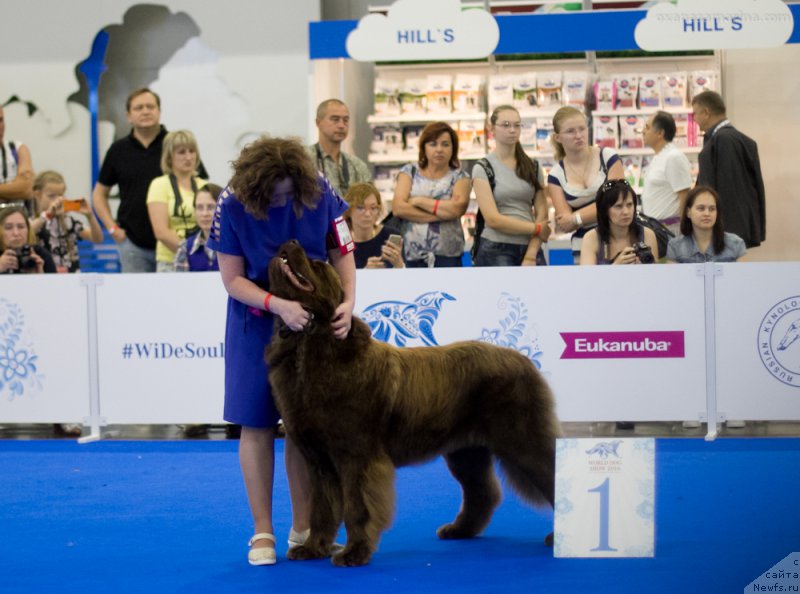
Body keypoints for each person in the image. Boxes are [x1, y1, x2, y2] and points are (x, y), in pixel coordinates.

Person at [206, 136, 356, 566]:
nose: (284, 200)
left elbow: (342, 251)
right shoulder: (231, 203)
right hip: (256, 322)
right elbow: (233, 279)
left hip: (313, 326)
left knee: (302, 426)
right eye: (275, 195)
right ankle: (262, 532)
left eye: (290, 192)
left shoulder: (320, 188)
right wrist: (278, 305)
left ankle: (304, 529)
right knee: (255, 424)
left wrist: (347, 302)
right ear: (256, 187)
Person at [92, 88, 207, 273]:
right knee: (137, 299)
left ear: (159, 112)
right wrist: (112, 228)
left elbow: (202, 189)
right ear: (128, 115)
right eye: (139, 108)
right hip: (133, 244)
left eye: (150, 107)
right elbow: (99, 194)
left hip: (177, 244)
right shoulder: (118, 150)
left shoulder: (175, 145)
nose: (145, 111)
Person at [472, 105, 551, 267]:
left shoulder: (533, 166)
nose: (512, 130)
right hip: (496, 248)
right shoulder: (483, 168)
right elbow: (493, 220)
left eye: (517, 125)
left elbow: (542, 213)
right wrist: (535, 229)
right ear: (491, 129)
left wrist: (531, 253)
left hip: (530, 247)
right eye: (506, 125)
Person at [546, 106, 624, 261]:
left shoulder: (608, 157)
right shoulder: (556, 175)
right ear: (557, 138)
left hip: (619, 239)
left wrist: (576, 218)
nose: (578, 135)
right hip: (581, 246)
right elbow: (565, 224)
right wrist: (603, 207)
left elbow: (616, 201)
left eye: (582, 129)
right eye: (570, 131)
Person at [391, 121, 471, 268]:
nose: (439, 149)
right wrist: (442, 214)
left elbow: (456, 209)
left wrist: (419, 201)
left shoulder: (461, 177)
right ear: (424, 147)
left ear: (453, 148)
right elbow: (398, 208)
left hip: (449, 257)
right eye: (433, 144)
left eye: (445, 144)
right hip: (412, 255)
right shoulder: (409, 172)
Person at [692, 90, 765, 248]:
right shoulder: (729, 138)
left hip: (728, 232)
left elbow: (729, 192)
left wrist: (723, 235)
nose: (695, 119)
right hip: (729, 231)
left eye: (695, 114)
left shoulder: (724, 140)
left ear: (706, 112)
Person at [146, 130, 207, 272]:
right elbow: (161, 232)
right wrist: (192, 253)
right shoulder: (159, 184)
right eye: (181, 152)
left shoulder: (203, 185)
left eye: (192, 151)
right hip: (170, 261)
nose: (188, 157)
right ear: (169, 157)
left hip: (202, 260)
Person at [29, 171, 104, 272]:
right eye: (51, 196)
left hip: (71, 279)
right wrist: (47, 215)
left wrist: (90, 216)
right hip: (44, 278)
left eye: (60, 196)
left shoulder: (68, 222)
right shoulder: (33, 221)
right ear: (37, 195)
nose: (57, 200)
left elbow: (97, 238)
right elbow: (26, 232)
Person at [580, 179, 659, 266]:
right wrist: (616, 267)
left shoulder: (647, 234)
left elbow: (654, 276)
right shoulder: (591, 238)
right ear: (604, 210)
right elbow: (587, 278)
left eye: (629, 205)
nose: (626, 212)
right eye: (618, 206)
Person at [640, 111, 693, 235]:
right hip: (655, 229)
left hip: (669, 231)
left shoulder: (673, 157)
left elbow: (684, 196)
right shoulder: (659, 156)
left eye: (647, 127)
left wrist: (684, 232)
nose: (643, 131)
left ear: (660, 133)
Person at [306, 99, 371, 197]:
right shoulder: (303, 160)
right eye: (335, 119)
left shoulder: (357, 166)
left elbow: (370, 203)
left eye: (345, 120)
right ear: (318, 122)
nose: (341, 125)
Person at [666, 185, 746, 263]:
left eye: (712, 209)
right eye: (701, 208)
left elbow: (744, 276)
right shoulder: (675, 247)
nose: (707, 213)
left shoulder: (736, 244)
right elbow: (671, 276)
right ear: (688, 212)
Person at [343, 182, 404, 269]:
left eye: (373, 208)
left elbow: (406, 279)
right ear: (348, 210)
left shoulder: (391, 235)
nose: (368, 214)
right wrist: (366, 273)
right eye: (360, 207)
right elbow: (337, 280)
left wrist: (399, 265)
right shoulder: (341, 242)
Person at [174, 182, 222, 273]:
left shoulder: (236, 244)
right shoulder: (185, 247)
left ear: (222, 209)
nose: (205, 214)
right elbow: (180, 284)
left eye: (211, 207)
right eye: (200, 207)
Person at [0, 206, 56, 274]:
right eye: (8, 228)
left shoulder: (41, 254)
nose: (16, 233)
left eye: (21, 227)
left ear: (28, 230)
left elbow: (55, 284)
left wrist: (41, 275)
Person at [0, 105, 34, 212]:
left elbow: (26, 189)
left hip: (17, 219)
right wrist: (11, 187)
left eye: (1, 120)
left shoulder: (17, 148)